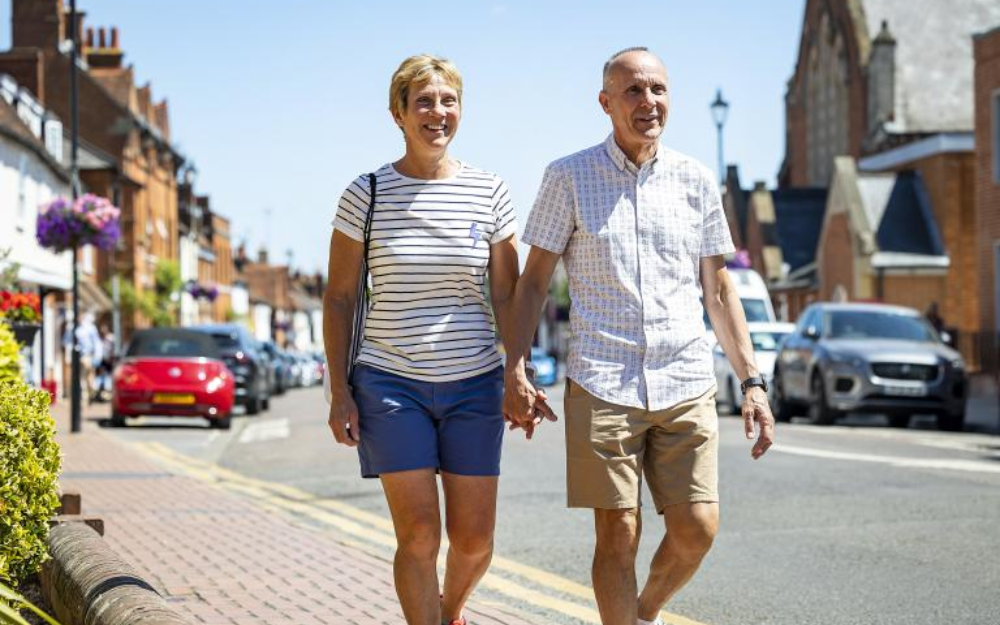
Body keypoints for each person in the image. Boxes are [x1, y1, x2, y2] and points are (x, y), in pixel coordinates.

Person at [503, 47, 775, 625]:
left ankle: (643, 610)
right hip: (603, 379)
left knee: (698, 527)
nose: (648, 102)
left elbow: (721, 293)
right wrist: (516, 367)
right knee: (619, 533)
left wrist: (752, 381)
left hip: (685, 377)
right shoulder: (568, 177)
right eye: (632, 91)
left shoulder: (696, 180)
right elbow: (531, 285)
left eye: (657, 90)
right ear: (606, 103)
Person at [322, 54, 549, 625]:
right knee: (420, 533)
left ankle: (448, 610)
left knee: (474, 542)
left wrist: (515, 373)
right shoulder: (365, 194)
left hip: (474, 382)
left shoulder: (489, 191)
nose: (437, 113)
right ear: (398, 113)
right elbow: (340, 298)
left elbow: (507, 295)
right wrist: (339, 391)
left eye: (448, 101)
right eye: (423, 101)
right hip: (389, 382)